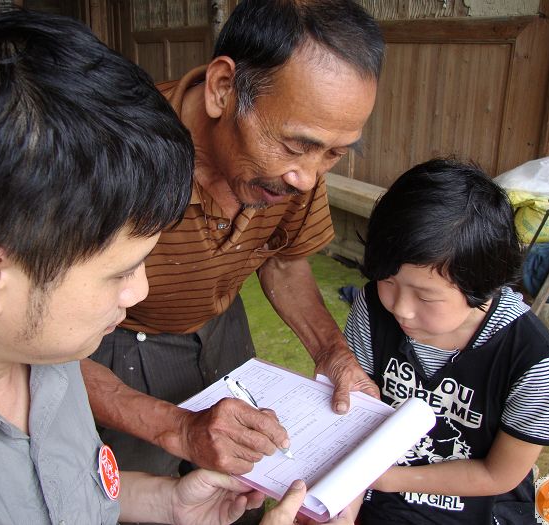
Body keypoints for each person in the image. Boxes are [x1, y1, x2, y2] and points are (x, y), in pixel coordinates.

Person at [0, 7, 328, 524]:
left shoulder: (38, 344)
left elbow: (61, 490)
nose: (139, 293)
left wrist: (166, 502)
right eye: (120, 272)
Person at [83, 0, 385, 486]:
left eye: (334, 153)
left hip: (222, 331)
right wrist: (177, 428)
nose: (307, 177)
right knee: (145, 495)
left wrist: (333, 352)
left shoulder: (296, 170)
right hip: (115, 344)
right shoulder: (116, 153)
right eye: (294, 146)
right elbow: (49, 344)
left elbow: (283, 263)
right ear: (224, 89)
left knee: (240, 487)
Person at [342, 158, 549, 524]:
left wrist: (386, 478)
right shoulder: (371, 310)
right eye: (387, 280)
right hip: (377, 498)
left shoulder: (536, 363)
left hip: (481, 507)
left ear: (483, 285)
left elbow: (500, 475)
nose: (400, 309)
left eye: (425, 297)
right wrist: (344, 507)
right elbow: (353, 423)